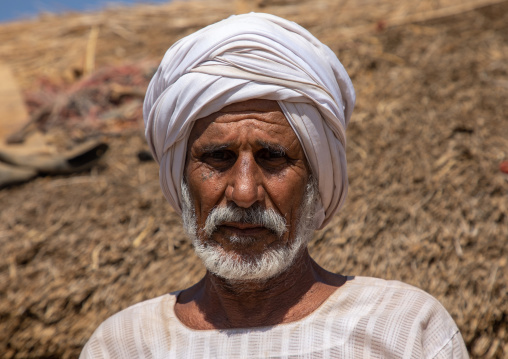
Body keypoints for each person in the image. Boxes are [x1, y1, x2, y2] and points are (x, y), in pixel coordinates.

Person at [80, 13, 468, 358]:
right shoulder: (122, 344)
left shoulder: (406, 330)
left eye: (274, 158)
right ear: (180, 178)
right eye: (218, 158)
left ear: (316, 179)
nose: (245, 192)